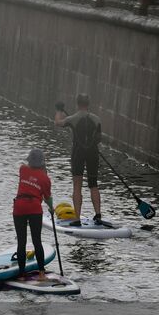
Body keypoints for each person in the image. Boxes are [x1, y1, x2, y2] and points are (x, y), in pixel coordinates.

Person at [54, 94, 104, 226]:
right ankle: (98, 215)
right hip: (93, 153)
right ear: (88, 104)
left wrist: (59, 110)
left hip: (78, 153)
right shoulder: (97, 119)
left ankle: (77, 219)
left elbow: (58, 122)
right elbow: (99, 138)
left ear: (77, 104)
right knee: (93, 184)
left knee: (77, 185)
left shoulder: (72, 118)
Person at [13, 148, 54, 281]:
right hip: (34, 209)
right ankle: (41, 274)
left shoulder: (22, 169)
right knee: (37, 241)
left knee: (21, 242)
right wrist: (52, 208)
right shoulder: (45, 178)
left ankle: (21, 274)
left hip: (19, 208)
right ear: (43, 163)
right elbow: (47, 197)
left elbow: (31, 176)